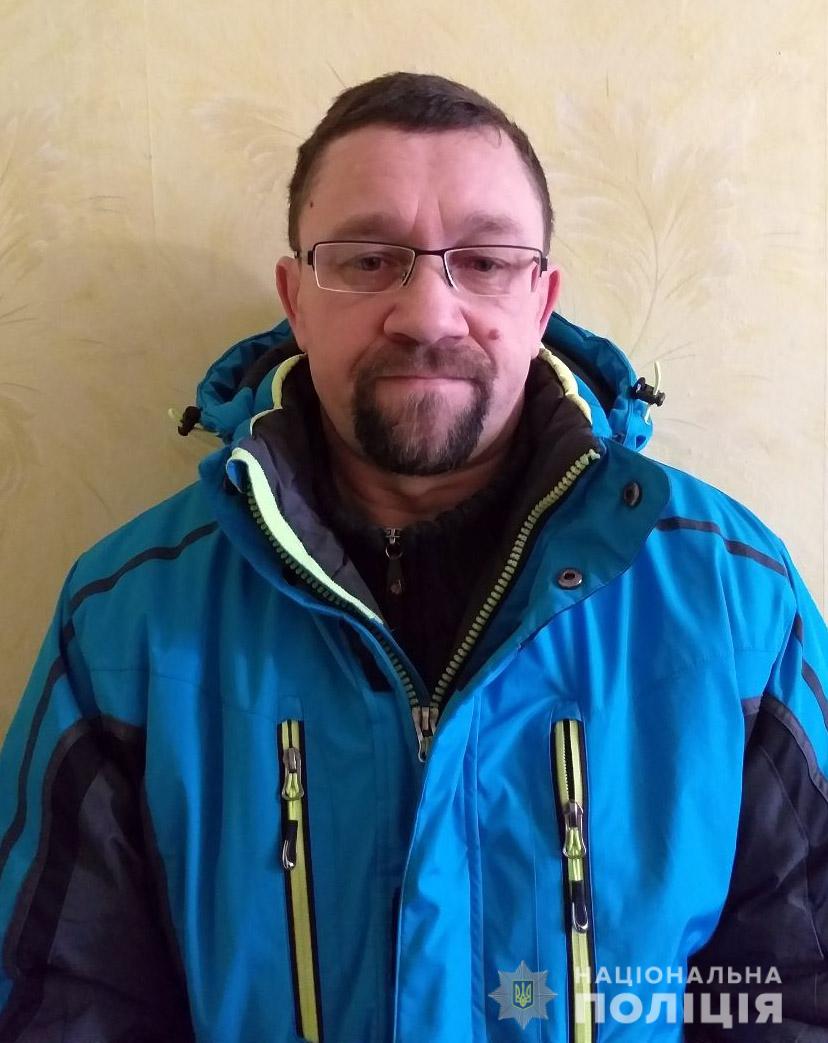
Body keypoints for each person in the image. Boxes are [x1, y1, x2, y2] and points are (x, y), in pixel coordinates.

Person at [0, 70, 825, 1043]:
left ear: (542, 298)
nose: (429, 315)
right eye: (366, 259)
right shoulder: (125, 618)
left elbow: (797, 993)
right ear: (296, 299)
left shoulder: (733, 597)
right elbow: (62, 1004)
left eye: (484, 261)